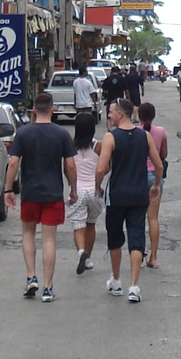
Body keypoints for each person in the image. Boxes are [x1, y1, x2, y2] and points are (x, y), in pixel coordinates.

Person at [4, 92, 76, 303]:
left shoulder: (23, 133)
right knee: (49, 240)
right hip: (53, 192)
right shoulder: (62, 134)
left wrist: (8, 189)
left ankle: (30, 276)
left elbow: (14, 163)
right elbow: (70, 165)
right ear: (53, 109)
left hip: (30, 192)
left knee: (28, 234)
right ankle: (47, 287)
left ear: (33, 110)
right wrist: (73, 188)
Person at [95, 99, 162, 303]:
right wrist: (156, 185)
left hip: (116, 195)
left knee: (115, 238)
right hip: (138, 194)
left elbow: (100, 168)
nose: (109, 116)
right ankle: (134, 286)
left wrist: (98, 186)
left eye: (111, 112)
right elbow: (158, 165)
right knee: (136, 239)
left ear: (120, 114)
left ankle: (116, 280)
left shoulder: (110, 137)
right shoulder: (145, 135)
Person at [66, 112, 103, 276]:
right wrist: (98, 185)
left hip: (78, 190)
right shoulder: (98, 146)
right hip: (94, 191)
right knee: (91, 224)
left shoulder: (70, 147)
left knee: (78, 225)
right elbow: (105, 167)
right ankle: (88, 258)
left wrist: (71, 187)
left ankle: (81, 251)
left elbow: (67, 168)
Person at [138, 101, 169, 269]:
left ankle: (140, 251)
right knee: (153, 218)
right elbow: (163, 154)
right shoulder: (161, 132)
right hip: (155, 177)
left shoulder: (136, 132)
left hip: (138, 177)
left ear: (139, 117)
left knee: (138, 216)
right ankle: (154, 257)